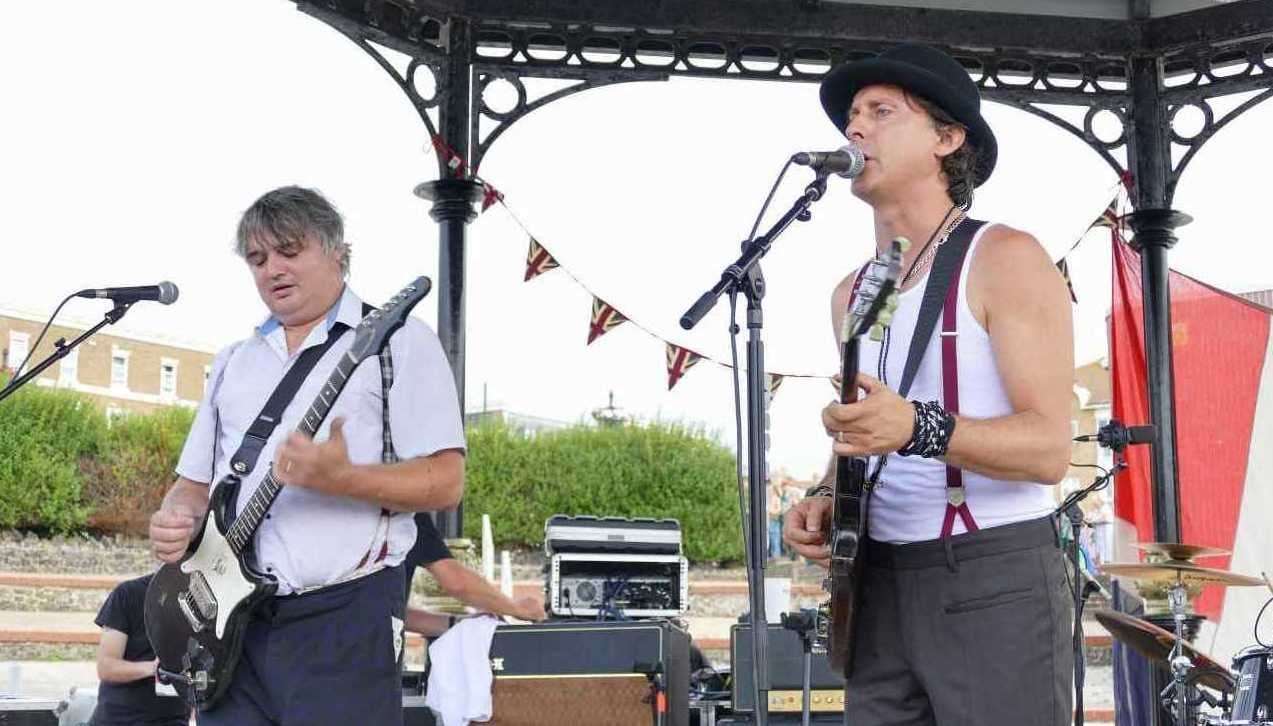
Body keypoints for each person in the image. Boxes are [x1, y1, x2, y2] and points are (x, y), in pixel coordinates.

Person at [783, 44, 1075, 725]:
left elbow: (1047, 450)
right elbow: (871, 420)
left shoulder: (1003, 257)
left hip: (990, 576)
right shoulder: (861, 288)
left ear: (948, 139)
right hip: (875, 582)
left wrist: (919, 427)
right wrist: (826, 491)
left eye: (881, 112)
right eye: (851, 116)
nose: (854, 130)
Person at [148, 185, 466, 726]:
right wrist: (175, 517)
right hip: (233, 627)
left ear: (338, 252)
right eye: (257, 259)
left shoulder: (399, 342)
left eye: (289, 251)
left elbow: (446, 481)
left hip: (345, 617)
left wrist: (344, 479)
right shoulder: (233, 362)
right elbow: (194, 484)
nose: (272, 269)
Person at [401, 512, 545, 636]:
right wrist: (517, 608)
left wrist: (459, 624)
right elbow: (457, 582)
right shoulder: (407, 517)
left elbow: (392, 614)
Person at [90, 573, 190, 726]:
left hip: (174, 719)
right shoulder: (127, 593)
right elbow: (106, 667)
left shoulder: (204, 601)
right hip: (120, 720)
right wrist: (156, 668)